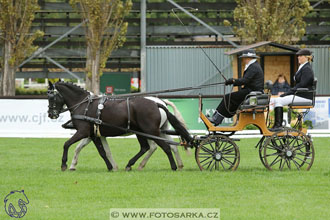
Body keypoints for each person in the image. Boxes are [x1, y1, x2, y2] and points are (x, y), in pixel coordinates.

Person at [208, 49, 264, 126]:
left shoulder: (253, 67)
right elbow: (245, 80)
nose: (243, 60)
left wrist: (233, 81)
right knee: (231, 98)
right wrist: (233, 81)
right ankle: (217, 117)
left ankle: (216, 118)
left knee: (228, 97)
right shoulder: (254, 65)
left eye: (244, 58)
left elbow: (245, 80)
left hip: (251, 92)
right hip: (250, 91)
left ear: (248, 58)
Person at [271, 49, 315, 131]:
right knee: (277, 100)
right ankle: (277, 125)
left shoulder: (307, 69)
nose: (298, 57)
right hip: (300, 94)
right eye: (298, 56)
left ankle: (278, 126)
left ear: (306, 57)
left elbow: (302, 85)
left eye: (300, 56)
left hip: (304, 96)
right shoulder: (303, 67)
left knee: (278, 101)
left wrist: (287, 93)